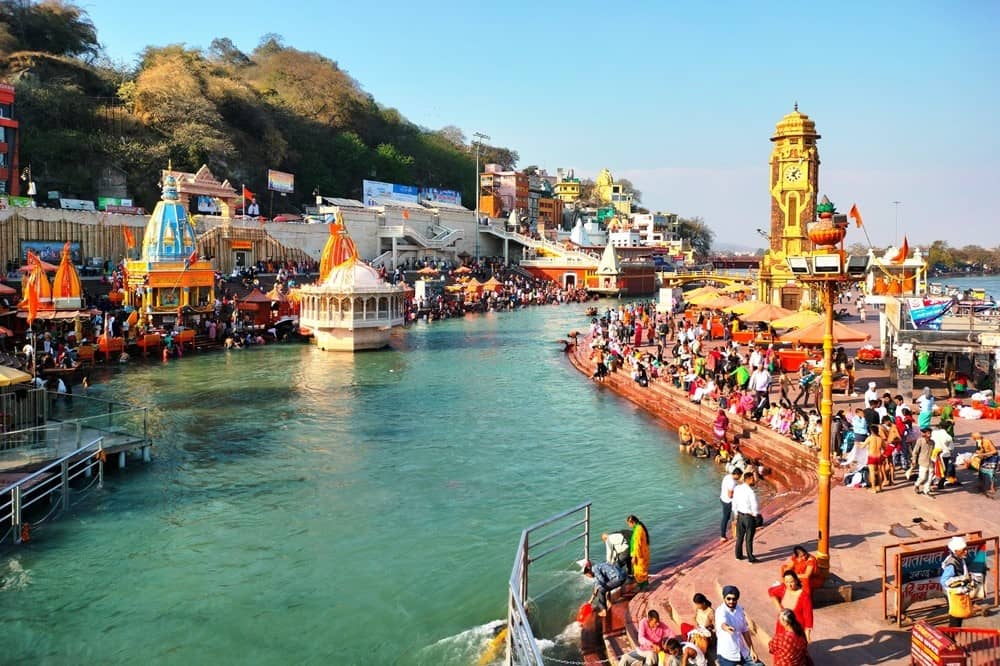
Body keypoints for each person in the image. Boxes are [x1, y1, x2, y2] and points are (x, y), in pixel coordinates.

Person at [714, 585, 758, 666]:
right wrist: (726, 627)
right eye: (728, 599)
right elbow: (722, 622)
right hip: (727, 655)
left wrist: (752, 650)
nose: (731, 601)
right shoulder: (720, 611)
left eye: (734, 599)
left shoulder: (739, 609)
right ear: (724, 598)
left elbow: (745, 631)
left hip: (742, 651)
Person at [769, 571, 814, 642]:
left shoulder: (804, 596)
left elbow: (808, 616)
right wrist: (779, 608)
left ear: (796, 580)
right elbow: (771, 591)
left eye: (791, 582)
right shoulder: (783, 588)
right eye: (786, 582)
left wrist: (807, 635)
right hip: (782, 625)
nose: (789, 585)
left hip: (795, 629)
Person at [940, 536, 973, 627]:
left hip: (959, 592)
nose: (966, 551)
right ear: (955, 551)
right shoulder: (952, 564)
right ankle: (950, 638)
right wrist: (960, 585)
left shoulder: (959, 559)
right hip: (953, 593)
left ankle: (951, 637)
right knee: (956, 619)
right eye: (963, 550)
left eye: (966, 549)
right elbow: (944, 581)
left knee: (958, 618)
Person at [731, 471, 760, 562]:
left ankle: (738, 555)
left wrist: (735, 515)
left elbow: (734, 502)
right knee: (749, 538)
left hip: (740, 515)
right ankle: (751, 558)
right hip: (748, 517)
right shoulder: (750, 492)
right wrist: (755, 515)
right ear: (750, 479)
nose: (754, 481)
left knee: (740, 537)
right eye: (753, 479)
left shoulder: (737, 488)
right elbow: (754, 505)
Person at [972, 432, 999, 496]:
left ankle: (992, 488)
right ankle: (981, 485)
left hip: (993, 458)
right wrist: (977, 453)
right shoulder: (978, 442)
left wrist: (983, 454)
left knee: (991, 473)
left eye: (974, 438)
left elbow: (995, 451)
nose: (973, 439)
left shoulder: (987, 441)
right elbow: (978, 450)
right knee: (981, 471)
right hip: (985, 457)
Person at [627, 515, 650, 590]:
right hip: (644, 553)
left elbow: (637, 545)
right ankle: (645, 586)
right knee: (643, 570)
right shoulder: (639, 527)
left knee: (639, 572)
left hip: (640, 555)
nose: (629, 526)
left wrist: (634, 557)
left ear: (632, 522)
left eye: (629, 524)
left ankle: (643, 588)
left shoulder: (638, 531)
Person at [719, 467, 741, 542]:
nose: (739, 478)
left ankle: (724, 535)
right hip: (728, 501)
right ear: (737, 475)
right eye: (739, 476)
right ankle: (724, 535)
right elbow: (730, 495)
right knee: (729, 517)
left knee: (726, 517)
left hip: (722, 498)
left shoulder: (727, 476)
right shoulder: (732, 482)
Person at [912, 427, 935, 495]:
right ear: (924, 434)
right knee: (922, 477)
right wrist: (914, 460)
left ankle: (926, 490)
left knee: (930, 477)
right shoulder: (920, 441)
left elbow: (933, 452)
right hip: (923, 462)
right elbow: (915, 451)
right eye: (928, 433)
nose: (930, 434)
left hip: (931, 462)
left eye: (930, 433)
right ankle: (916, 484)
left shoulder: (932, 442)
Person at [864, 423, 885, 493]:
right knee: (879, 472)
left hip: (872, 456)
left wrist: (858, 444)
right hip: (879, 456)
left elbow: (862, 446)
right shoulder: (880, 439)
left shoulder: (869, 438)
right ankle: (880, 487)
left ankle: (873, 488)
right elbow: (884, 448)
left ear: (871, 431)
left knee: (872, 472)